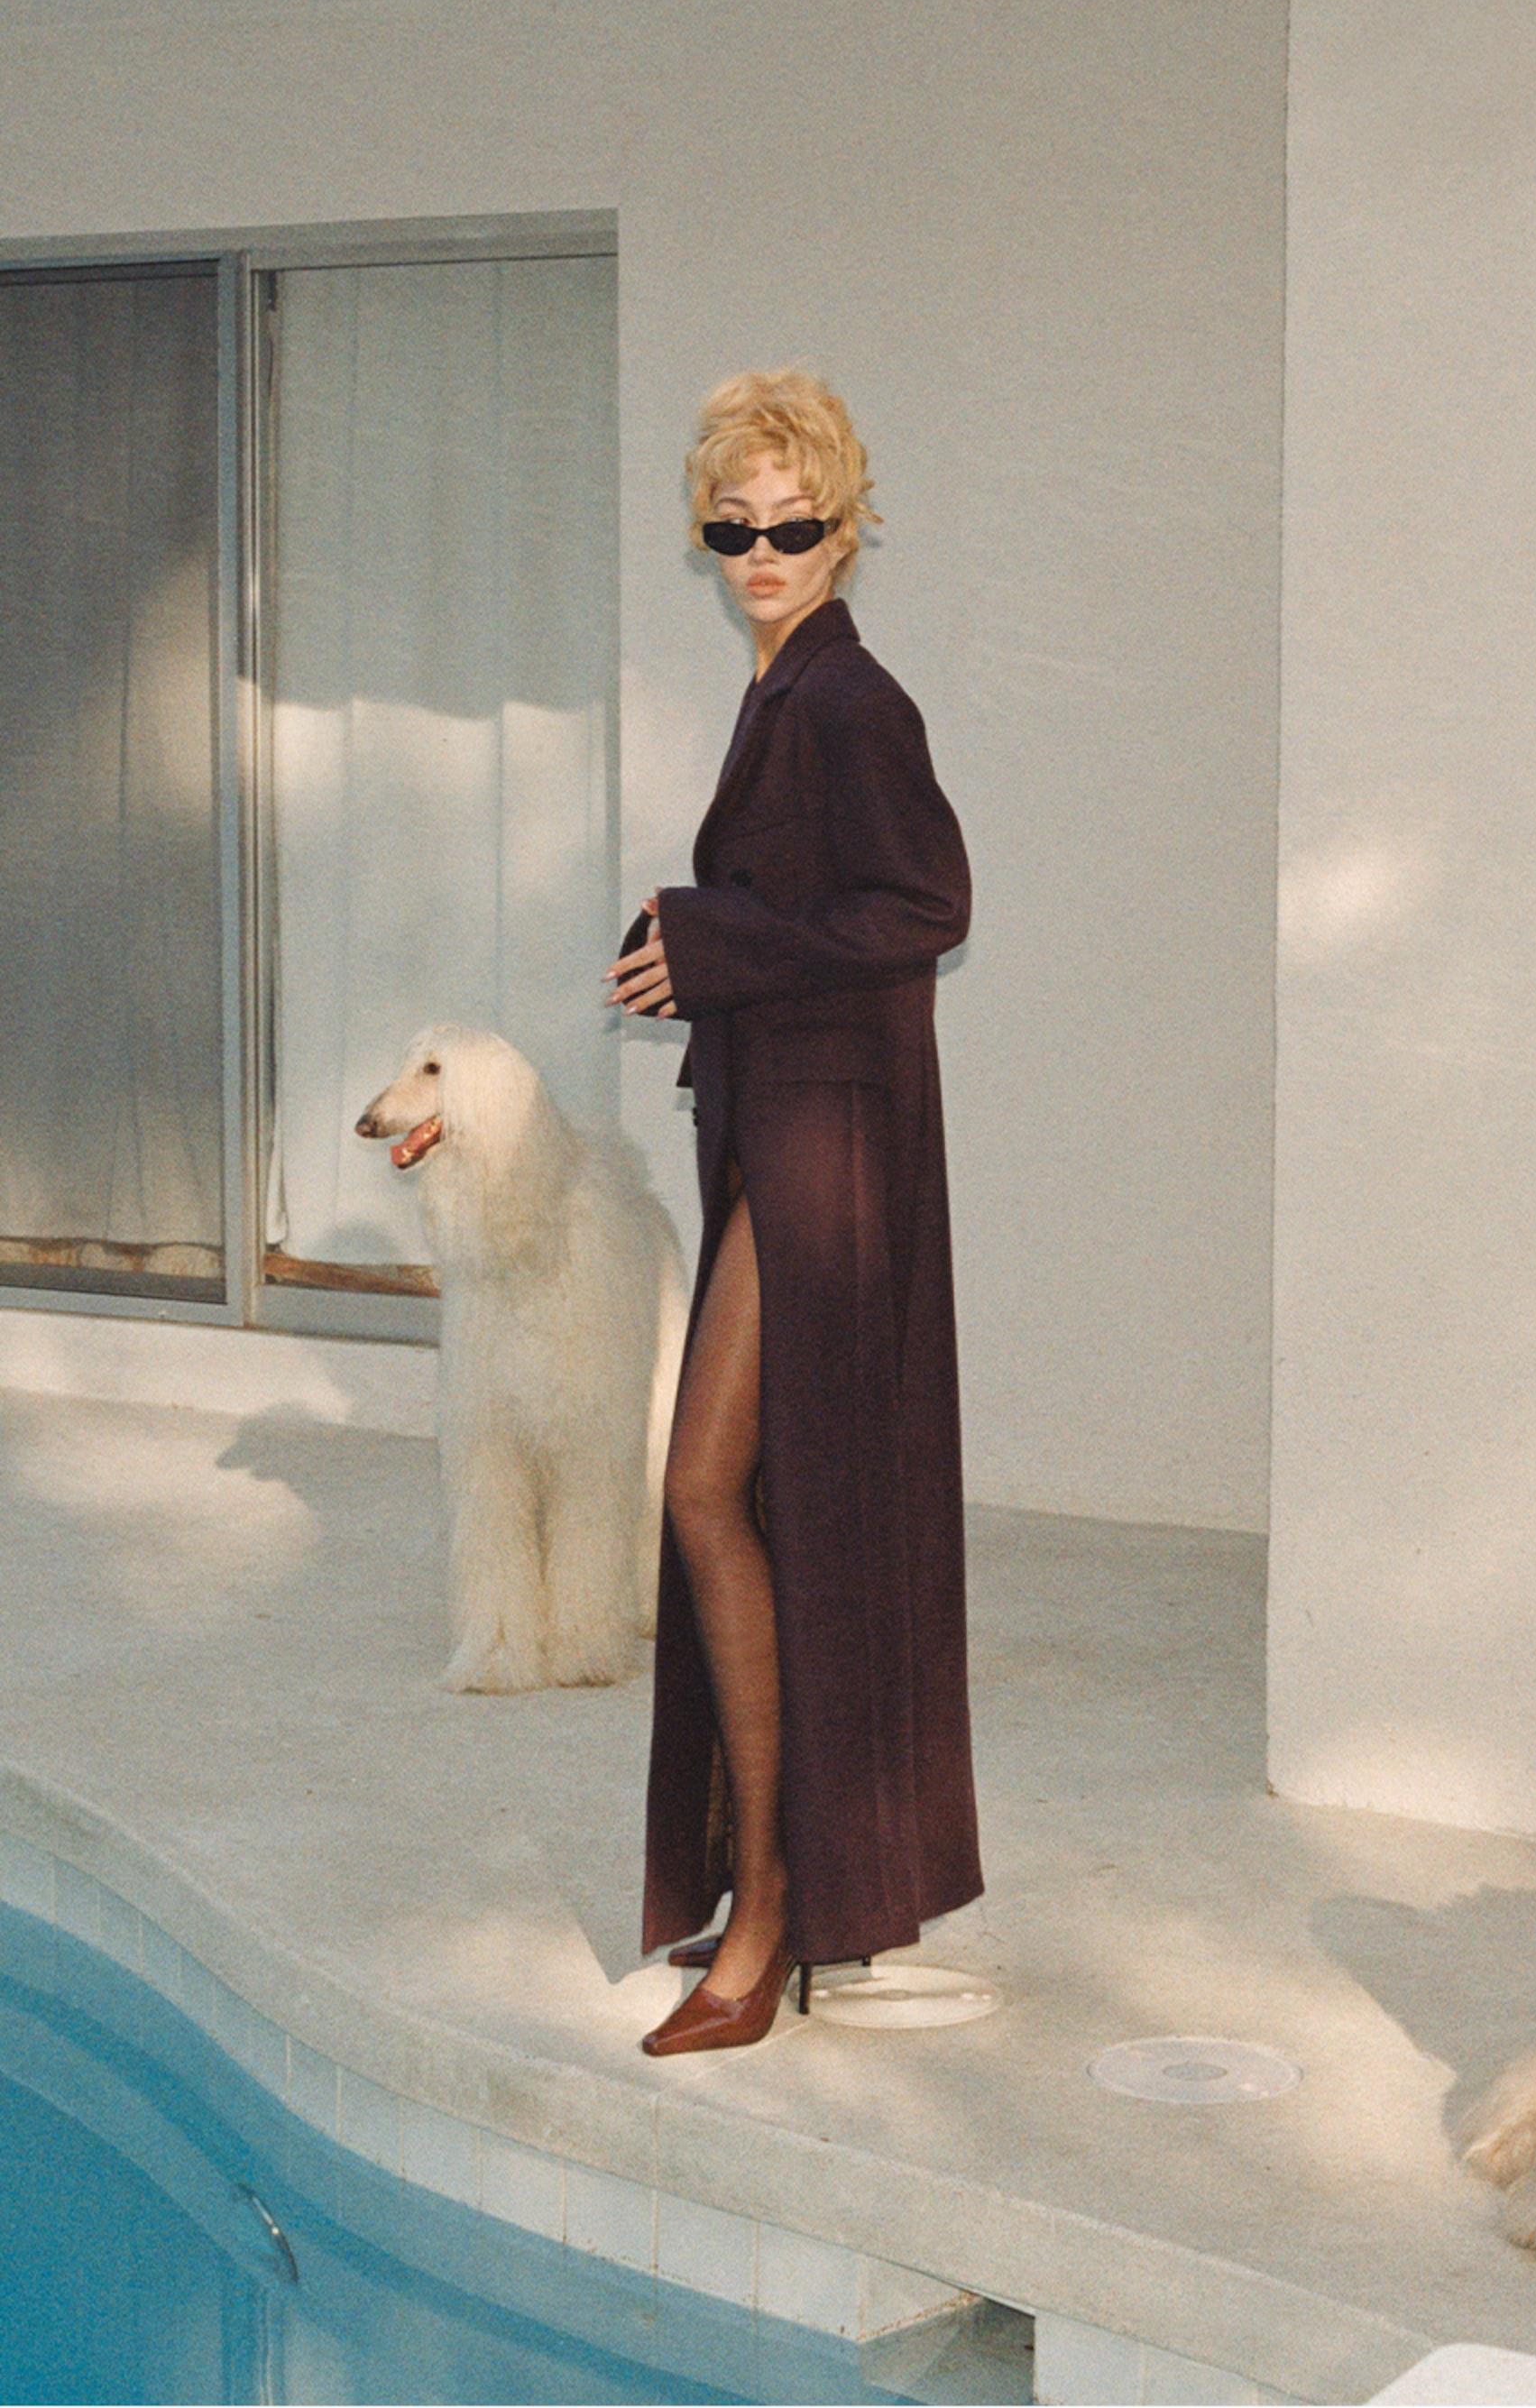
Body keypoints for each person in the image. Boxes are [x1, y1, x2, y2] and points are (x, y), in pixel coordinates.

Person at [605, 369, 982, 2056]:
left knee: (715, 1488)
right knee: (758, 1498)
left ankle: (769, 1914)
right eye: (733, 525)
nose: (763, 548)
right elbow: (809, 912)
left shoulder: (846, 699)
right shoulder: (781, 692)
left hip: (833, 1155)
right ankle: (783, 1890)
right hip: (788, 1127)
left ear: (848, 521)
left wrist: (720, 939)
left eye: (795, 522)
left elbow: (924, 902)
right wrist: (699, 955)